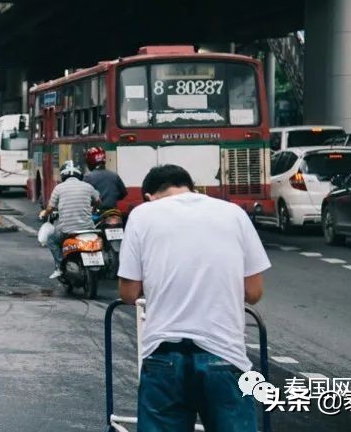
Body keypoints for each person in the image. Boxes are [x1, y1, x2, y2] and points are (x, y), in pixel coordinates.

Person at [118, 165, 270, 432]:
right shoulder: (233, 213)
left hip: (163, 357)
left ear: (149, 195)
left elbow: (128, 293)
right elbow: (254, 293)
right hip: (226, 356)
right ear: (191, 186)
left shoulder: (142, 215)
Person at [39, 160, 99, 279]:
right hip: (88, 228)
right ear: (79, 174)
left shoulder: (59, 188)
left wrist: (44, 213)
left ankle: (59, 266)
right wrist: (93, 209)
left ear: (63, 175)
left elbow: (50, 207)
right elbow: (98, 201)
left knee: (51, 240)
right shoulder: (88, 187)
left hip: (67, 230)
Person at [83, 147, 127, 212]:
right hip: (113, 211)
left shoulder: (88, 177)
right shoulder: (114, 175)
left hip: (97, 213)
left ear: (90, 162)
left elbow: (84, 197)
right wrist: (112, 198)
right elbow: (124, 193)